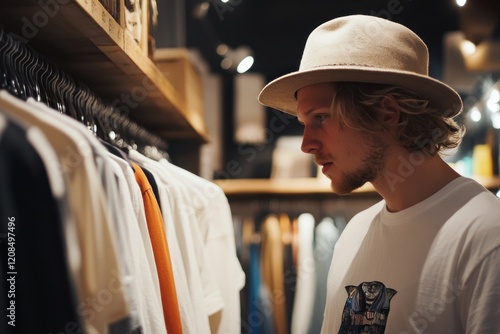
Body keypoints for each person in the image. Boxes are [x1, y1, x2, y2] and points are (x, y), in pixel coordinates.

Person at [258, 14, 500, 334]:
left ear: (386, 112)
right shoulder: (354, 235)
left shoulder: (487, 237)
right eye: (305, 124)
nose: (306, 145)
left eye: (320, 118)